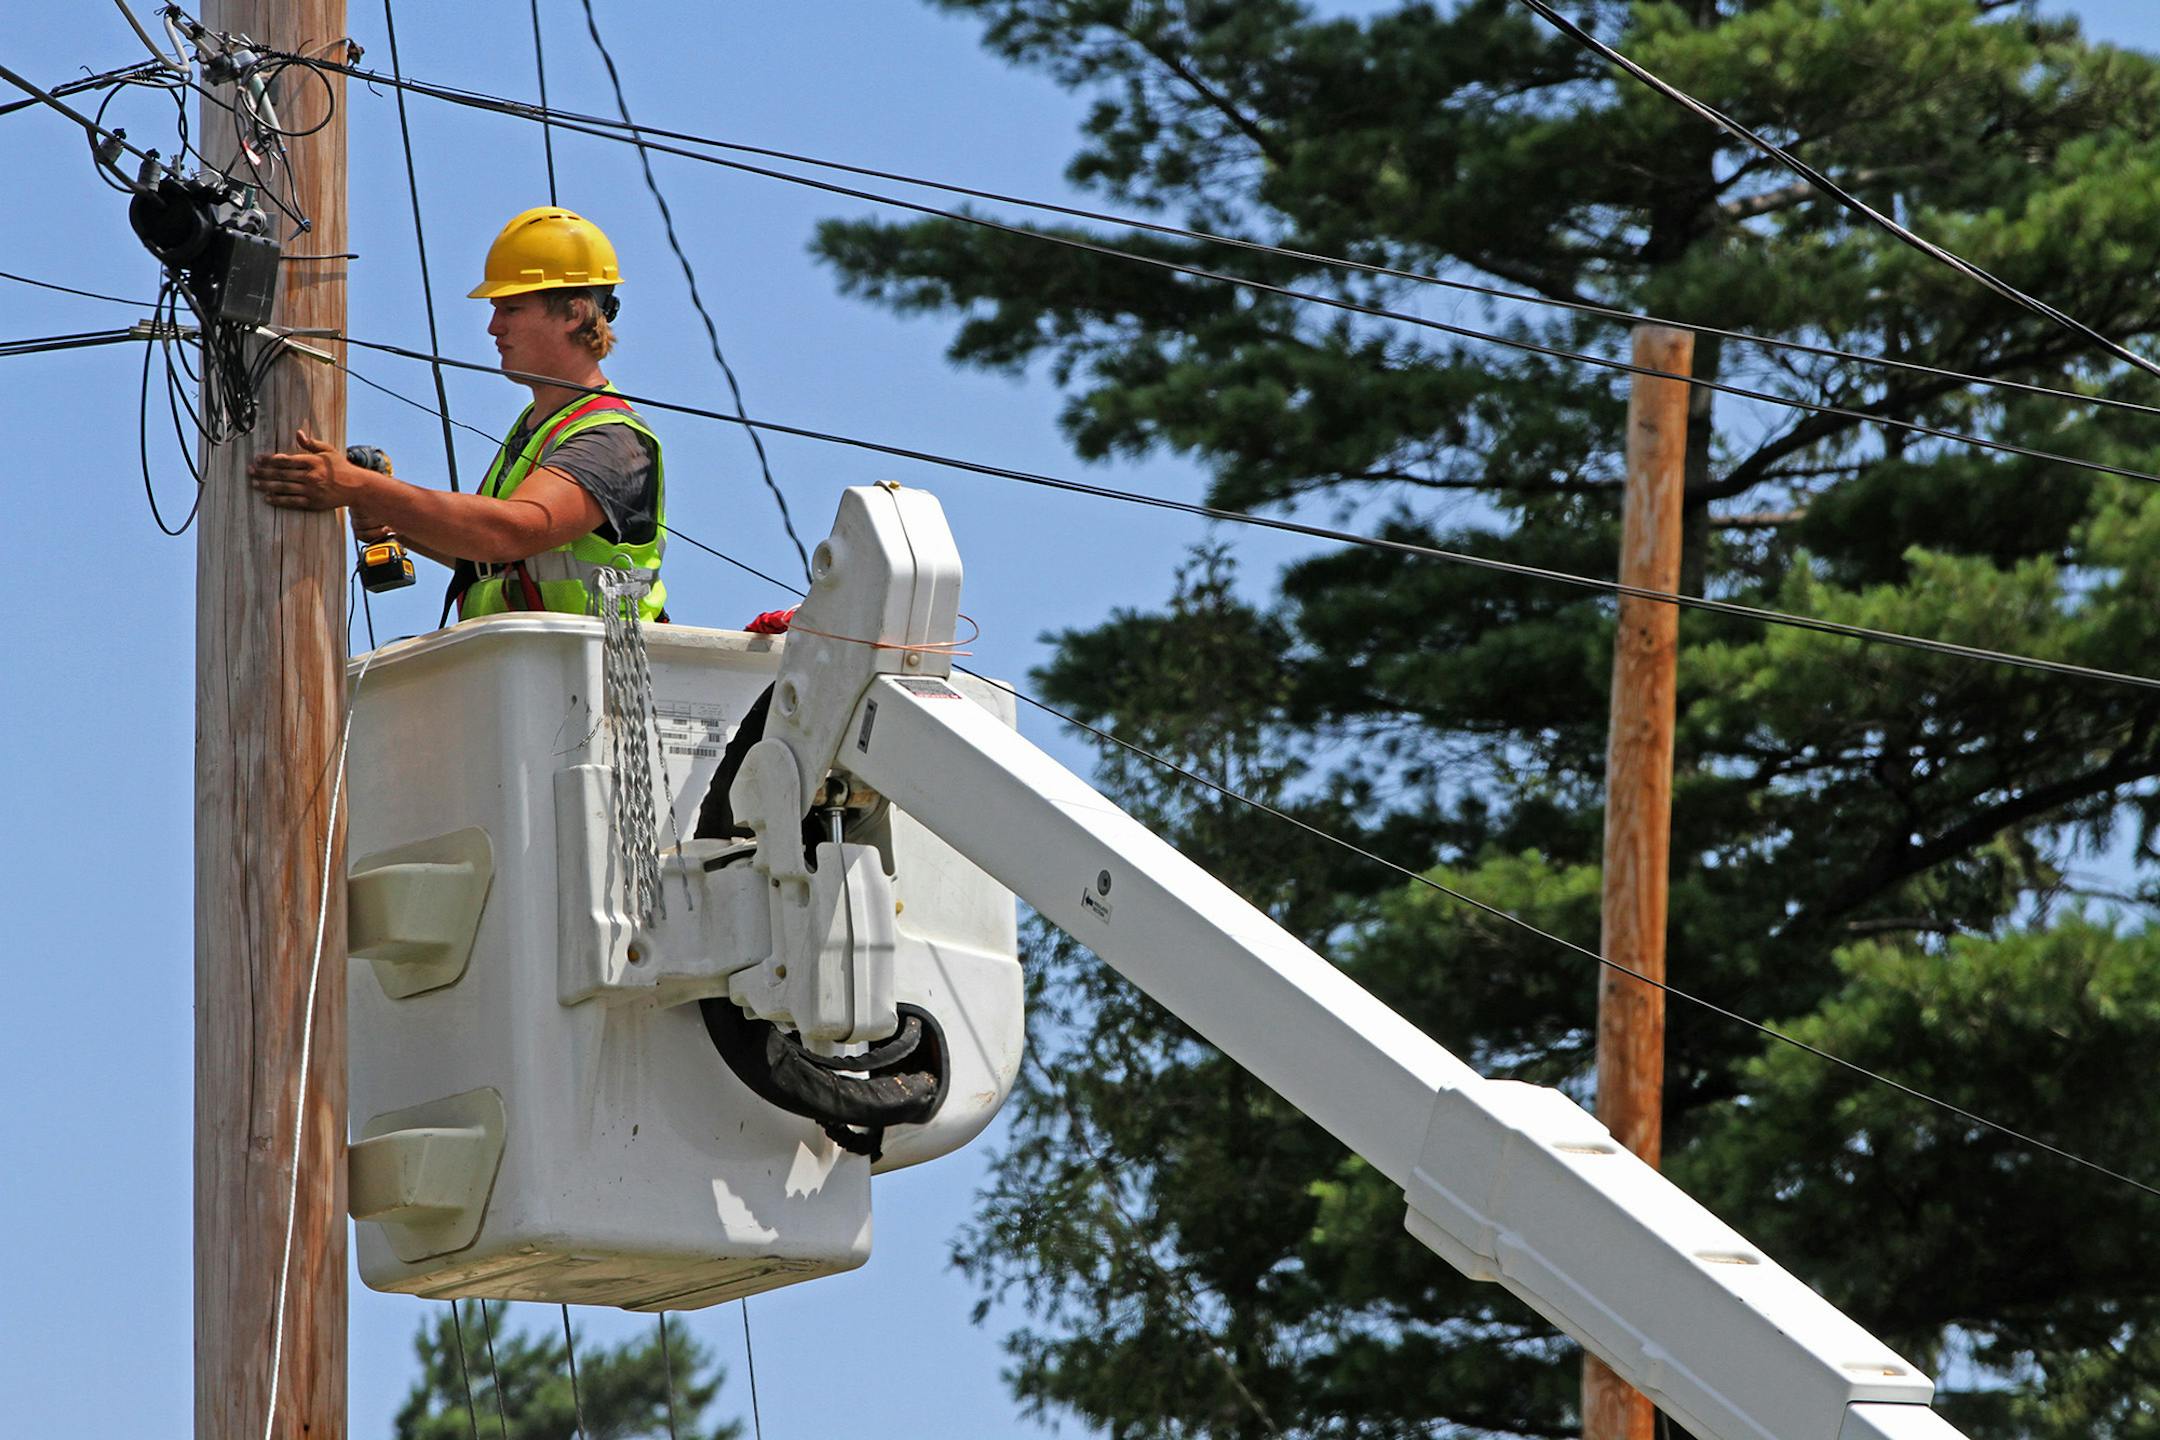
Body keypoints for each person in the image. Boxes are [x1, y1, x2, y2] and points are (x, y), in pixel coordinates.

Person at [249, 207, 667, 622]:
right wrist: (396, 520)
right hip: (526, 670)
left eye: (511, 309)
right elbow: (493, 559)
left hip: (589, 676)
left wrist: (362, 489)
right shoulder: (538, 428)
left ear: (573, 313)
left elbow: (508, 533)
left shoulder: (612, 438)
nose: (493, 327)